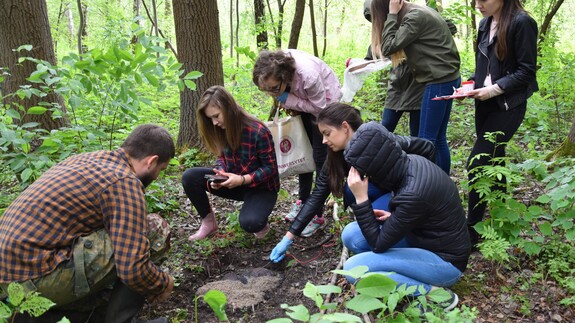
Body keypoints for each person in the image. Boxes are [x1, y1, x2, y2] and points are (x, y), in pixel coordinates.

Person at [271, 103, 470, 310]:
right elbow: (320, 194)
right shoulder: (398, 160)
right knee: (352, 234)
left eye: (327, 133)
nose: (324, 140)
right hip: (422, 235)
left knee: (354, 270)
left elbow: (378, 244)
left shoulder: (412, 191)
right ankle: (401, 270)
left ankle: (436, 294)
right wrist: (290, 236)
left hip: (445, 262)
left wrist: (362, 199)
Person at [0, 124, 175, 323]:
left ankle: (62, 314)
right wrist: (162, 283)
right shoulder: (124, 182)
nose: (157, 176)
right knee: (154, 228)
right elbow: (133, 269)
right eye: (161, 169)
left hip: (9, 278)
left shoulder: (88, 160)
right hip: (36, 280)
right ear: (152, 161)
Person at [465, 0, 538, 246]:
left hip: (508, 105)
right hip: (484, 103)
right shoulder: (486, 23)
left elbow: (526, 71)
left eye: (482, 0)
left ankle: (471, 233)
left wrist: (495, 89)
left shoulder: (522, 22)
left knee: (477, 162)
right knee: (494, 158)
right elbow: (485, 68)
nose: (477, 5)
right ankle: (501, 218)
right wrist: (469, 85)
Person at [253, 49, 342, 237]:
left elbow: (319, 107)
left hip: (325, 107)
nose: (272, 94)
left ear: (284, 76)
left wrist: (289, 100)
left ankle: (316, 215)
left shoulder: (307, 75)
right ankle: (303, 201)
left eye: (275, 89)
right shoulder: (274, 69)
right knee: (303, 152)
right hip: (303, 104)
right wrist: (284, 97)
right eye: (266, 90)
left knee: (319, 158)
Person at [370, 0, 461, 174]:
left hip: (439, 81)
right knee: (438, 138)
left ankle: (430, 186)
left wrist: (391, 15)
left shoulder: (414, 16)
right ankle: (442, 182)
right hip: (447, 78)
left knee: (426, 141)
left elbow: (388, 46)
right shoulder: (419, 11)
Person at [183, 85, 280, 241]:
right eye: (210, 119)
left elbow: (270, 169)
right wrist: (219, 175)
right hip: (234, 183)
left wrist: (242, 179)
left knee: (251, 223)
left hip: (261, 188)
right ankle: (209, 222)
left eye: (216, 116)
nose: (214, 123)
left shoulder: (258, 131)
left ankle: (259, 219)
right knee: (190, 177)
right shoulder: (221, 129)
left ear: (229, 108)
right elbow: (221, 158)